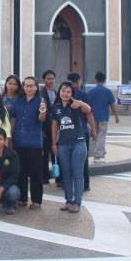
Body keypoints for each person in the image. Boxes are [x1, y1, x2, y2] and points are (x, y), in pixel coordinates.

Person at [51, 81, 97, 213]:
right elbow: (54, 126)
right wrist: (54, 144)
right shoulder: (56, 108)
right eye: (63, 91)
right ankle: (68, 201)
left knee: (77, 173)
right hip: (63, 144)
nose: (65, 94)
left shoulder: (76, 105)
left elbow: (89, 111)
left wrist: (81, 103)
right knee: (66, 173)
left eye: (68, 91)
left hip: (79, 143)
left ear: (72, 93)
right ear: (59, 92)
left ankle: (77, 202)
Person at [9, 76, 47, 208]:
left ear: (36, 87)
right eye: (26, 85)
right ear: (23, 87)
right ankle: (22, 198)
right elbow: (13, 119)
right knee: (21, 172)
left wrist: (43, 110)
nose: (29, 88)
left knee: (36, 172)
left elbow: (42, 119)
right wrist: (10, 137)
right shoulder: (18, 101)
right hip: (19, 141)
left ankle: (36, 200)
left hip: (34, 143)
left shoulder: (40, 101)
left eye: (32, 85)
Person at [87, 71, 119, 163]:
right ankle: (98, 156)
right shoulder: (107, 91)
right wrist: (116, 116)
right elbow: (113, 105)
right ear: (104, 80)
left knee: (95, 135)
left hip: (93, 117)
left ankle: (100, 152)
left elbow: (87, 106)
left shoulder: (91, 92)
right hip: (103, 117)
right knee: (101, 136)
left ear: (95, 80)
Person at [67, 72, 91, 191]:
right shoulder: (83, 94)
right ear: (78, 82)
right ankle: (84, 184)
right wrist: (94, 129)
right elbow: (89, 114)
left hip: (70, 131)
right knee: (83, 160)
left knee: (69, 159)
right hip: (81, 130)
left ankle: (69, 184)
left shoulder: (64, 93)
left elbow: (88, 111)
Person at [40, 69, 58, 183]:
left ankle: (58, 178)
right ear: (44, 80)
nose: (50, 81)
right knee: (44, 153)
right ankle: (45, 177)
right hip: (44, 127)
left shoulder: (57, 93)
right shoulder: (40, 93)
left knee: (56, 152)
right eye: (48, 78)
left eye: (52, 78)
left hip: (56, 126)